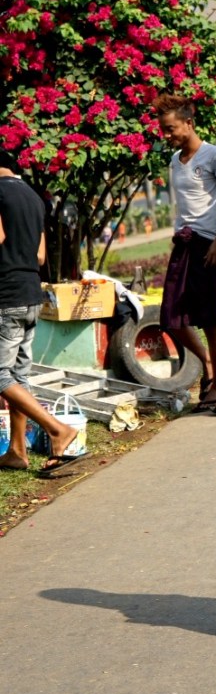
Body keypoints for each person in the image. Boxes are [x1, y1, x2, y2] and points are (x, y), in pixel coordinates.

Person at [154, 94, 216, 411]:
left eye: (171, 129)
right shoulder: (174, 160)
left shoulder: (214, 156)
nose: (167, 136)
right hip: (185, 243)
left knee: (208, 318)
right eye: (164, 130)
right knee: (171, 316)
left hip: (210, 244)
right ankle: (208, 363)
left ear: (189, 123)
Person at [0, 150, 80, 475]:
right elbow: (41, 255)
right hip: (32, 293)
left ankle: (58, 429)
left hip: (6, 295)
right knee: (18, 377)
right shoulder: (34, 197)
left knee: (0, 376)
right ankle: (18, 451)